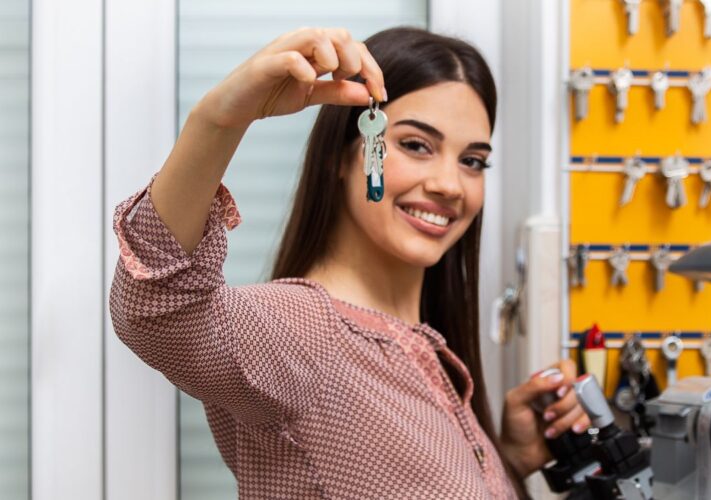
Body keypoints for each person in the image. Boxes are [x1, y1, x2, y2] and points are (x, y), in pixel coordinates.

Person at [109, 26, 588, 499]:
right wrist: (219, 120)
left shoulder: (431, 351)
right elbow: (156, 310)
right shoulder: (296, 330)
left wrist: (507, 462)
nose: (450, 184)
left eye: (473, 161)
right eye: (416, 145)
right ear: (342, 155)